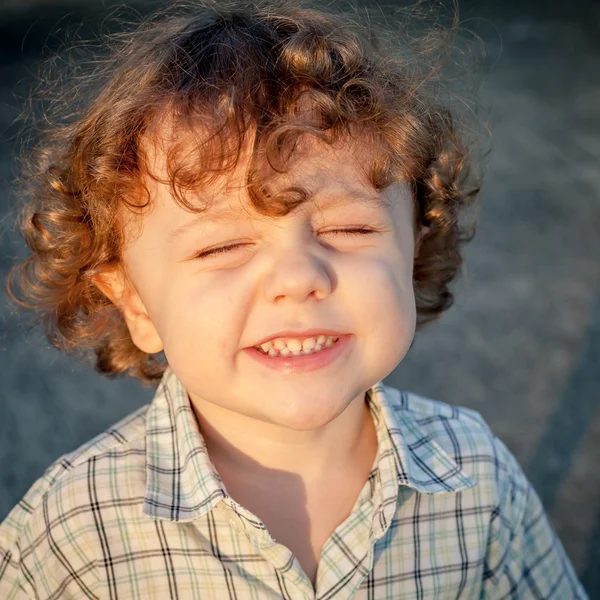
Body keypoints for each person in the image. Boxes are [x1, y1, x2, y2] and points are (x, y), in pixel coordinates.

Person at [0, 0, 588, 598]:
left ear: (414, 249)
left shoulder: (475, 478)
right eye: (223, 245)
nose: (298, 277)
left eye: (349, 229)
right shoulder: (74, 533)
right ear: (138, 306)